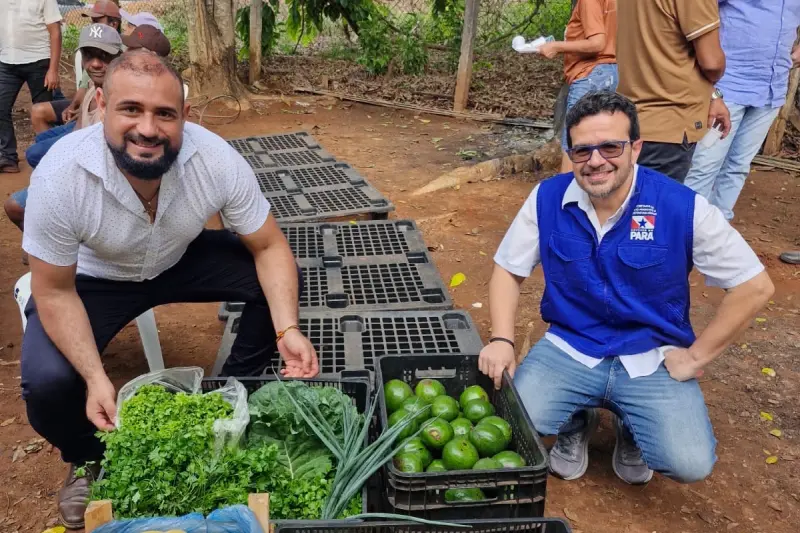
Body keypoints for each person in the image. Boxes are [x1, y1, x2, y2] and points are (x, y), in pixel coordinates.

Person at [20, 49, 319, 529]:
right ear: (101, 103)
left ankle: (230, 390)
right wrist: (97, 378)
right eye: (131, 109)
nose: (148, 129)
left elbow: (270, 248)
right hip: (98, 279)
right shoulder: (62, 175)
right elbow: (54, 291)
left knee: (274, 283)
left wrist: (287, 330)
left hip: (179, 257)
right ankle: (86, 457)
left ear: (185, 115)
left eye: (165, 113)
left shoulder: (215, 159)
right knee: (49, 383)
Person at [479, 91, 773, 486]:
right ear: (570, 152)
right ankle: (576, 417)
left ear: (636, 147)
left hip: (650, 356)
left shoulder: (681, 206)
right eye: (582, 151)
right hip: (571, 346)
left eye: (610, 146)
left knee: (689, 462)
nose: (596, 160)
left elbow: (755, 286)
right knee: (511, 427)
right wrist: (501, 338)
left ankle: (633, 425)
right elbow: (508, 269)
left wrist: (695, 358)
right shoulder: (548, 197)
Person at [3, 23, 123, 238]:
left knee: (16, 205)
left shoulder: (119, 100)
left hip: (94, 185)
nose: (95, 63)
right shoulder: (95, 88)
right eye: (89, 56)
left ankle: (52, 243)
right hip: (78, 170)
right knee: (37, 154)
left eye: (104, 56)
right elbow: (78, 135)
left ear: (119, 58)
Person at [685, 3, 800, 221]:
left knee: (738, 167)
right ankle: (685, 232)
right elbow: (695, 14)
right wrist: (710, 92)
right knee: (704, 165)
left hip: (770, 91)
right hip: (725, 90)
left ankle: (718, 232)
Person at [616, 0, 730, 183]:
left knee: (628, 200)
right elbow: (712, 63)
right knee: (656, 207)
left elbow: (665, 48)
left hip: (630, 116)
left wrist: (713, 96)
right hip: (671, 123)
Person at [536, 0, 618, 172]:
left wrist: (556, 46)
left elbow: (597, 43)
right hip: (608, 72)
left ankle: (565, 196)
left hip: (590, 75)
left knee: (574, 143)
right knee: (598, 142)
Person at [30, 0, 123, 134]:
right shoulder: (91, 48)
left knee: (37, 151)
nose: (93, 25)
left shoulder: (121, 53)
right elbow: (84, 87)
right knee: (39, 117)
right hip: (87, 108)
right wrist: (74, 106)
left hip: (100, 118)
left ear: (114, 24)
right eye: (92, 21)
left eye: (97, 21)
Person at [0, 0, 62, 174]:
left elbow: (55, 32)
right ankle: (7, 157)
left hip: (39, 60)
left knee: (43, 112)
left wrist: (53, 69)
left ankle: (46, 160)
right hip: (6, 61)